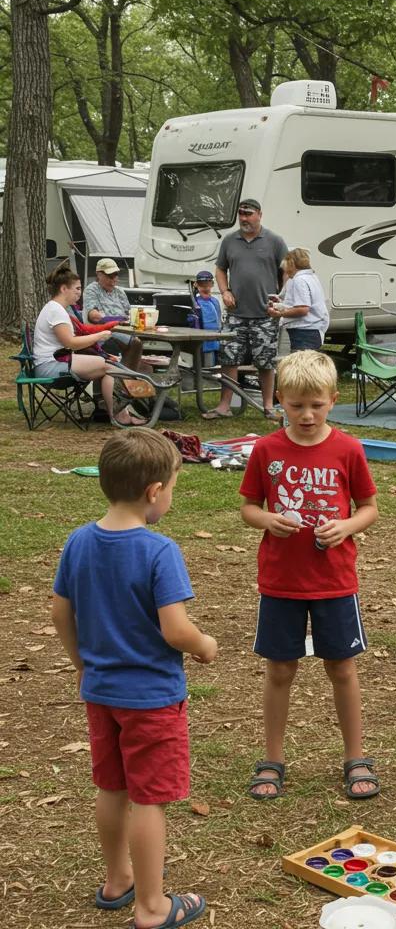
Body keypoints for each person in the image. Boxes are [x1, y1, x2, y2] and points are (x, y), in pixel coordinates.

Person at [51, 429, 217, 929]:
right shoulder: (158, 550)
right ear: (153, 491)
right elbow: (175, 629)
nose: (170, 497)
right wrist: (204, 644)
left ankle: (117, 880)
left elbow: (61, 612)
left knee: (112, 788)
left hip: (100, 693)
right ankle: (151, 905)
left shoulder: (79, 540)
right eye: (172, 488)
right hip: (152, 699)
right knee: (149, 799)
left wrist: (83, 665)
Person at [239, 350, 381, 801]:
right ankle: (273, 758)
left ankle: (355, 756)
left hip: (335, 582)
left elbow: (369, 508)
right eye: (296, 404)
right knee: (280, 669)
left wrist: (346, 527)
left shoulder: (348, 449)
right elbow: (248, 508)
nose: (306, 414)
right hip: (281, 581)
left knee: (342, 666)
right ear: (279, 398)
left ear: (333, 400)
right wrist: (267, 521)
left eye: (316, 404)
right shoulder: (265, 450)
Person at [205, 198, 288, 419]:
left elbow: (287, 271)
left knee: (265, 361)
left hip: (264, 315)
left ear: (260, 214)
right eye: (241, 214)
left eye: (248, 214)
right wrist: (225, 291)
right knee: (228, 358)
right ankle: (225, 406)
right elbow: (220, 270)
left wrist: (280, 297)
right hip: (235, 314)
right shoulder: (230, 241)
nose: (244, 218)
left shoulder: (274, 241)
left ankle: (268, 406)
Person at [33, 265, 146, 426]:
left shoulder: (56, 308)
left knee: (110, 367)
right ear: (64, 289)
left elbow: (75, 339)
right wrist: (99, 336)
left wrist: (102, 350)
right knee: (111, 367)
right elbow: (71, 343)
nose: (80, 292)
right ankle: (119, 414)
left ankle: (115, 415)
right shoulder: (56, 311)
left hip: (57, 360)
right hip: (51, 366)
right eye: (77, 289)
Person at [82, 257, 144, 369]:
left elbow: (129, 314)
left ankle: (127, 376)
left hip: (122, 331)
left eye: (115, 275)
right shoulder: (92, 289)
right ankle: (124, 377)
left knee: (137, 342)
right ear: (99, 274)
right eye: (109, 276)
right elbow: (94, 316)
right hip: (102, 333)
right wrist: (118, 320)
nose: (113, 279)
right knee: (135, 343)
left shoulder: (119, 291)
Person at [269, 248, 329, 352]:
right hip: (313, 330)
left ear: (291, 265)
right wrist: (280, 304)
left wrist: (279, 314)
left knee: (300, 366)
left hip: (304, 332)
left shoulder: (299, 280)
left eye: (286, 268)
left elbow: (302, 309)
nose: (286, 272)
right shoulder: (312, 277)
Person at [193, 270, 222, 367]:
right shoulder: (195, 302)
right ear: (196, 285)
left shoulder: (215, 301)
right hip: (201, 342)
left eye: (208, 284)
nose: (205, 287)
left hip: (215, 341)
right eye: (202, 284)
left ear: (212, 284)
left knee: (213, 367)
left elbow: (219, 321)